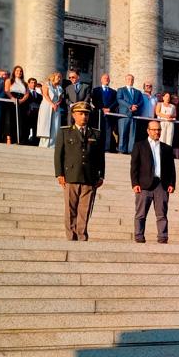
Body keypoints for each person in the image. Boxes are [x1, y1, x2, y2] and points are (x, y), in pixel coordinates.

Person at [54, 101, 105, 241]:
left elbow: (100, 156)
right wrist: (59, 173)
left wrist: (101, 175)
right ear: (74, 115)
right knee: (70, 209)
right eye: (81, 113)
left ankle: (82, 235)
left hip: (89, 176)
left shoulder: (96, 133)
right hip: (71, 175)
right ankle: (71, 235)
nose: (84, 117)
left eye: (86, 114)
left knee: (85, 209)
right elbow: (59, 154)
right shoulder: (65, 131)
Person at [131, 121, 176, 244]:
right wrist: (135, 184)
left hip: (162, 185)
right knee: (140, 214)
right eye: (154, 129)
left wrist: (172, 183)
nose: (157, 132)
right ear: (148, 130)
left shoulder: (166, 148)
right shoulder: (139, 146)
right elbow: (134, 166)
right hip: (144, 185)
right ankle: (139, 236)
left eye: (159, 130)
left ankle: (163, 237)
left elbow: (172, 168)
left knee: (162, 214)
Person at [90, 73, 119, 152]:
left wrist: (109, 108)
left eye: (107, 78)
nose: (106, 79)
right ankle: (97, 147)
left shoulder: (113, 92)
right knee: (98, 130)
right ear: (101, 80)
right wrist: (102, 108)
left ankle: (107, 148)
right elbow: (94, 101)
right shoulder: (96, 90)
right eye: (104, 78)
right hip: (99, 113)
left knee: (108, 131)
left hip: (109, 114)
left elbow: (116, 102)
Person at [37, 72, 64, 148]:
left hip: (56, 107)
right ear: (53, 77)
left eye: (60, 77)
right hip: (47, 106)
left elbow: (60, 98)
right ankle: (44, 145)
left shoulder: (60, 88)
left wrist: (57, 104)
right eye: (58, 76)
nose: (59, 78)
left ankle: (53, 145)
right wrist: (52, 104)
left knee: (55, 124)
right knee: (46, 125)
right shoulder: (46, 84)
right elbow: (45, 95)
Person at [116, 75, 142, 154]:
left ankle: (131, 150)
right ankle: (121, 149)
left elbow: (141, 101)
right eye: (128, 79)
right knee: (123, 133)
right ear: (125, 80)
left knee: (132, 134)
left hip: (134, 115)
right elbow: (119, 99)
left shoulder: (138, 92)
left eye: (132, 79)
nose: (130, 80)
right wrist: (130, 106)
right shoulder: (121, 90)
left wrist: (136, 106)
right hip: (124, 115)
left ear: (133, 81)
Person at [2, 66, 27, 144]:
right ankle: (9, 138)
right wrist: (12, 98)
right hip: (11, 101)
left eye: (20, 71)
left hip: (21, 102)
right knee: (9, 120)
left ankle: (18, 139)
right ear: (14, 72)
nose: (19, 72)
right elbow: (6, 90)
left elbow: (27, 94)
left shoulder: (24, 83)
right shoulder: (9, 80)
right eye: (17, 71)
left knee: (20, 121)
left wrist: (21, 100)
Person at [21, 77, 42, 145]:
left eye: (35, 83)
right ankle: (25, 140)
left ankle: (35, 141)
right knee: (26, 127)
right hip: (28, 112)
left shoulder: (39, 95)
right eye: (32, 83)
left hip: (36, 113)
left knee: (35, 127)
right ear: (28, 84)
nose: (33, 84)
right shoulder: (25, 93)